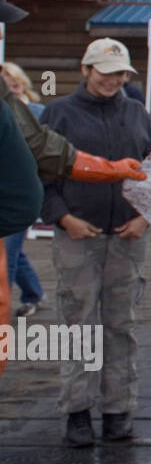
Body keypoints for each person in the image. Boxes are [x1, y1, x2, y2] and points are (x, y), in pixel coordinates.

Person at [41, 38, 151, 448]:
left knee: (120, 325)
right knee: (78, 323)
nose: (113, 80)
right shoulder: (58, 114)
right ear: (87, 69)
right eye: (106, 72)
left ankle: (117, 409)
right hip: (78, 236)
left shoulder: (138, 114)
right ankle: (76, 411)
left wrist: (145, 219)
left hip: (127, 238)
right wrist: (63, 218)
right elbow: (42, 176)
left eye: (120, 73)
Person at [2, 61, 46, 317]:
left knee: (10, 251)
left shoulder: (37, 111)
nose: (12, 90)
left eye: (15, 85)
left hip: (22, 191)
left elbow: (46, 146)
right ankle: (34, 292)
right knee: (13, 252)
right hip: (9, 191)